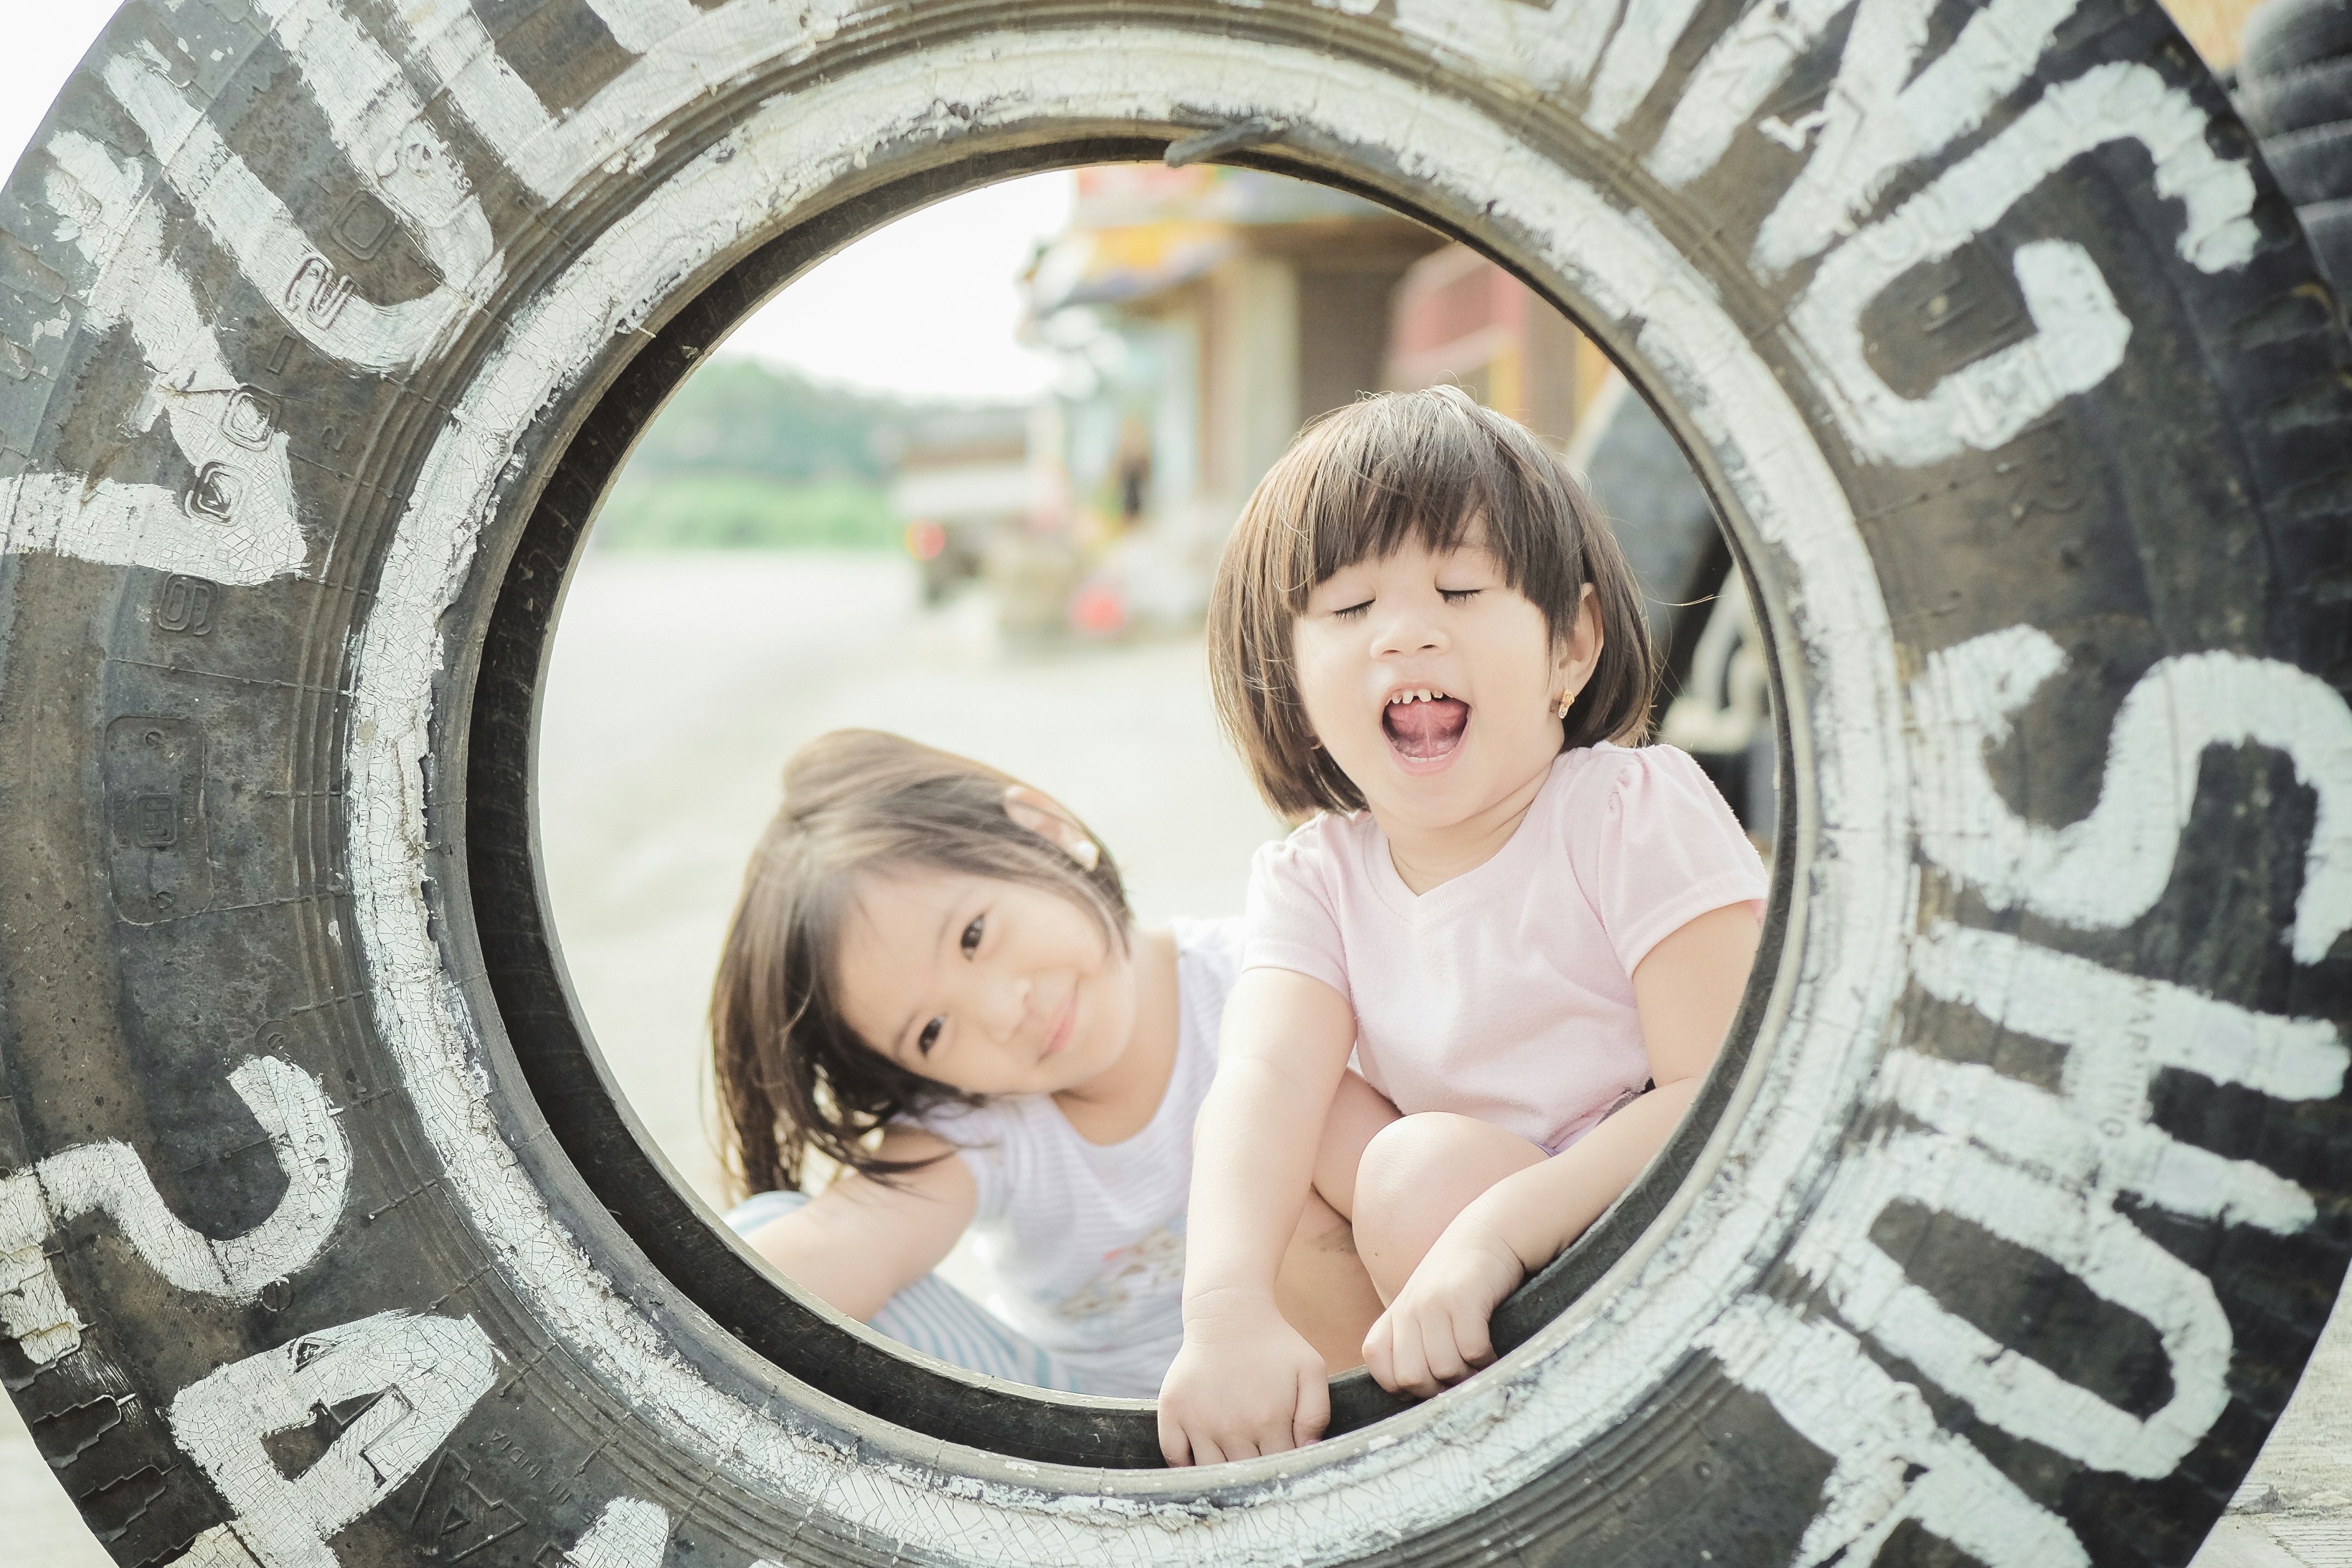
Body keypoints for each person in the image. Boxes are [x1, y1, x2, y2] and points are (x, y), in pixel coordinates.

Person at [1158, 386, 1767, 1463]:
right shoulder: (1314, 874)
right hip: (1436, 1229)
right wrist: (1220, 1309)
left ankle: (1498, 1467)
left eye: (1459, 588)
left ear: (1571, 645)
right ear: (1292, 682)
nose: (1406, 631)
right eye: (1350, 608)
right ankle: (1363, 1448)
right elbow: (1261, 1084)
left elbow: (1725, 1092)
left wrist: (1498, 1229)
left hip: (1639, 1228)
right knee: (1285, 1129)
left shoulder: (1627, 810)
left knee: (1412, 1171)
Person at [711, 729, 1380, 1397]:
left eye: (973, 935)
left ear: (1048, 831)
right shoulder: (981, 1126)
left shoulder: (1268, 978)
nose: (1002, 1012)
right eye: (932, 1031)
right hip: (1089, 1439)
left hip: (1326, 1376)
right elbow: (850, 1235)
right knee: (762, 1243)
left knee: (1320, 1122)